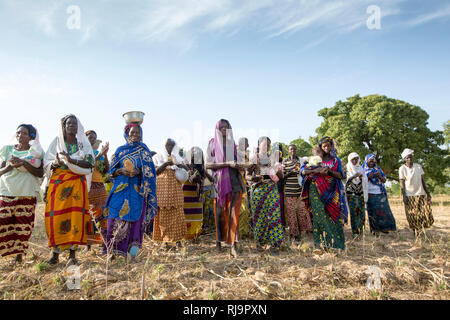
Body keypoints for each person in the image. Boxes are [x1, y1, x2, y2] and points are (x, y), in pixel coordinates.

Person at [43, 115, 95, 265]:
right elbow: (47, 162)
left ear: (78, 127)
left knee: (75, 216)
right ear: (64, 126)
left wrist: (72, 161)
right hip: (59, 183)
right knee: (56, 216)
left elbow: (90, 163)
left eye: (74, 123)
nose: (72, 125)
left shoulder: (83, 144)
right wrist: (57, 162)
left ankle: (72, 254)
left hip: (77, 183)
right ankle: (55, 254)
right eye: (69, 123)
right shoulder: (57, 142)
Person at [103, 123, 157, 260]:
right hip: (120, 189)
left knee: (136, 222)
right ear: (127, 133)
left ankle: (131, 255)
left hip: (137, 191)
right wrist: (120, 170)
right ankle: (112, 253)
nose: (135, 135)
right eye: (132, 132)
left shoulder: (144, 151)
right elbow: (110, 173)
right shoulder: (120, 150)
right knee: (114, 217)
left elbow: (151, 173)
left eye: (137, 133)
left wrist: (140, 172)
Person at [0, 124, 44, 264]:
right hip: (7, 190)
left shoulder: (36, 152)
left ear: (31, 136)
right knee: (3, 223)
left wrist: (24, 164)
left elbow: (40, 173)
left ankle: (18, 256)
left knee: (22, 225)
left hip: (27, 191)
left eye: (24, 133)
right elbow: (1, 170)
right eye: (18, 133)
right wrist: (11, 165)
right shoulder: (7, 149)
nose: (20, 135)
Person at [206, 119, 245, 257]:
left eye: (226, 127)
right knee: (220, 214)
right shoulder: (212, 144)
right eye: (221, 127)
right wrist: (227, 163)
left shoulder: (233, 145)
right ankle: (219, 242)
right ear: (217, 129)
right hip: (220, 183)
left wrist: (239, 165)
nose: (224, 129)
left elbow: (240, 163)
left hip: (234, 181)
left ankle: (233, 245)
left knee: (234, 214)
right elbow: (208, 165)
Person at [301, 137, 348, 251]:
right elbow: (303, 171)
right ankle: (320, 243)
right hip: (315, 190)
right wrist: (316, 170)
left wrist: (330, 171)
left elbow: (342, 175)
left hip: (333, 192)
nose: (326, 148)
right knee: (319, 215)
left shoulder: (335, 160)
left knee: (333, 216)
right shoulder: (314, 159)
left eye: (328, 145)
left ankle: (336, 244)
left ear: (331, 146)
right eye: (324, 146)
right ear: (320, 148)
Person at [246, 137, 284, 254]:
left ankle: (274, 244)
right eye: (264, 145)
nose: (266, 147)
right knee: (259, 216)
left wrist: (277, 170)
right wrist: (254, 178)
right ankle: (260, 243)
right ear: (259, 145)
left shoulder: (273, 159)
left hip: (272, 188)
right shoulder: (254, 158)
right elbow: (247, 175)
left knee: (274, 214)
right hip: (258, 189)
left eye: (268, 145)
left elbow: (281, 177)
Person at [153, 139, 188, 249]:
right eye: (167, 145)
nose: (169, 147)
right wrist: (166, 164)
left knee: (177, 213)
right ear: (164, 146)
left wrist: (178, 164)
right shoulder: (157, 157)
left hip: (175, 188)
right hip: (162, 188)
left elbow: (187, 169)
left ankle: (178, 241)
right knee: (163, 213)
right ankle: (165, 241)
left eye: (172, 145)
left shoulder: (178, 158)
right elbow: (155, 172)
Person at [84, 130, 110, 252]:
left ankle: (103, 242)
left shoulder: (96, 152)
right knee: (87, 214)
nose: (92, 140)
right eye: (90, 137)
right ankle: (88, 244)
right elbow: (88, 164)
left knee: (102, 213)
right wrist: (100, 154)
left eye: (94, 138)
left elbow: (106, 170)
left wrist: (105, 155)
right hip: (86, 186)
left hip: (99, 185)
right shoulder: (83, 152)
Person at [399, 148, 433, 237]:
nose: (409, 159)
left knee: (423, 213)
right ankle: (415, 231)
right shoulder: (402, 168)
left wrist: (428, 193)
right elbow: (402, 183)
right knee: (412, 215)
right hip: (410, 195)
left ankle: (420, 230)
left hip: (420, 194)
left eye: (410, 157)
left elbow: (422, 181)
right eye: (407, 157)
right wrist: (404, 196)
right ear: (404, 159)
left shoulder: (418, 166)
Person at [282, 144, 312, 241]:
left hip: (300, 190)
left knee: (301, 212)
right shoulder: (285, 161)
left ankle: (301, 234)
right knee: (291, 213)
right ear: (288, 150)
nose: (293, 150)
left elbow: (308, 168)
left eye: (294, 149)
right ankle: (293, 234)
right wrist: (291, 173)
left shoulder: (301, 160)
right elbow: (282, 176)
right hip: (289, 191)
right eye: (291, 149)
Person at [183, 147, 213, 241]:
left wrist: (201, 178)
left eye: (198, 154)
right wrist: (194, 176)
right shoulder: (185, 165)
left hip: (196, 197)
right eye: (194, 154)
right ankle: (185, 237)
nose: (196, 156)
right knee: (186, 216)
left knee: (196, 216)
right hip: (186, 195)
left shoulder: (200, 168)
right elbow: (191, 179)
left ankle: (195, 237)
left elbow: (208, 180)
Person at [363, 154, 397, 235]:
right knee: (373, 213)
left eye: (373, 161)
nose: (372, 162)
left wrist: (379, 176)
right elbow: (361, 181)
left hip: (380, 193)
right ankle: (375, 230)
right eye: (370, 161)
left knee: (384, 211)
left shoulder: (378, 169)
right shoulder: (363, 170)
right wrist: (368, 177)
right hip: (369, 193)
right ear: (366, 161)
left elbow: (384, 180)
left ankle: (384, 228)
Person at [345, 152, 368, 237]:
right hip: (351, 194)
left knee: (361, 212)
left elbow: (365, 180)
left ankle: (362, 230)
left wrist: (362, 178)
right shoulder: (347, 168)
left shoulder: (360, 168)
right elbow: (346, 181)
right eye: (353, 159)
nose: (355, 161)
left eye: (356, 159)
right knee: (354, 213)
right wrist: (354, 176)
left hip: (360, 194)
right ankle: (355, 231)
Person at [237, 137, 252, 239]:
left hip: (244, 182)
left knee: (245, 209)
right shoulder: (236, 154)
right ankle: (239, 232)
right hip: (236, 182)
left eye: (247, 143)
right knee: (241, 209)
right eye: (244, 143)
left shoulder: (247, 155)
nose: (247, 145)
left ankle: (244, 231)